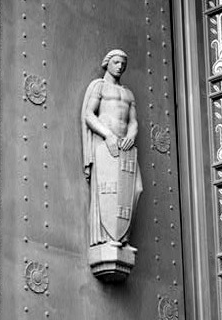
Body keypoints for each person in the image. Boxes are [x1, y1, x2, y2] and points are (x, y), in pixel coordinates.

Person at [81, 49, 142, 247]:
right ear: (107, 63)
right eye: (116, 62)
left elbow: (133, 122)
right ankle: (107, 239)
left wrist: (131, 137)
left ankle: (122, 237)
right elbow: (89, 115)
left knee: (136, 189)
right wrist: (107, 135)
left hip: (125, 146)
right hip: (107, 145)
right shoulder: (99, 87)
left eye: (123, 64)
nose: (120, 66)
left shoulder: (128, 93)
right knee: (107, 190)